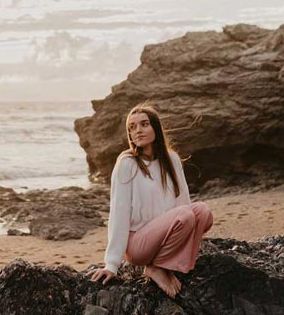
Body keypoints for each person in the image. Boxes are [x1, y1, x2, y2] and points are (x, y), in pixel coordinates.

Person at [88, 103, 213, 298]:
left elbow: (183, 201)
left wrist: (187, 237)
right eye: (132, 127)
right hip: (137, 243)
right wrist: (111, 264)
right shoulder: (126, 164)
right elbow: (118, 213)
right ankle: (155, 268)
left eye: (144, 124)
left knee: (202, 212)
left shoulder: (171, 159)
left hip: (163, 236)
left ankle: (167, 263)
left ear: (156, 127)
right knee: (186, 214)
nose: (137, 131)